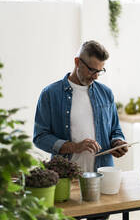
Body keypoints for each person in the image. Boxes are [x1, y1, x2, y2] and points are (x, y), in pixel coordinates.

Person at [33, 40, 128, 173]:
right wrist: (74, 147)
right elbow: (40, 137)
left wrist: (118, 142)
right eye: (92, 70)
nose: (96, 77)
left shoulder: (106, 93)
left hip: (102, 176)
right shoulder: (50, 94)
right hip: (65, 177)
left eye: (100, 71)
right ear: (77, 62)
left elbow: (115, 129)